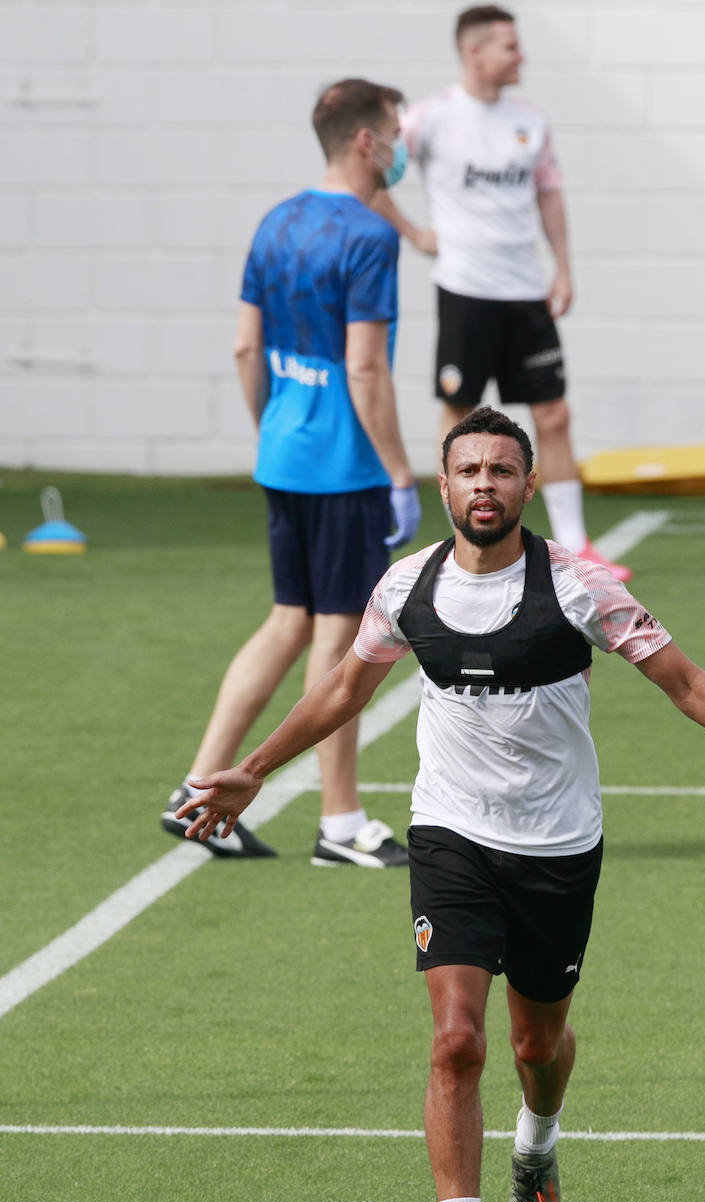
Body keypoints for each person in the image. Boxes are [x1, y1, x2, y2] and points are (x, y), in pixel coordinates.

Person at [176, 405, 705, 1202]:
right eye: (467, 471)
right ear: (444, 485)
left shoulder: (580, 589)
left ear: (527, 484)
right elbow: (343, 690)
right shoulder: (405, 588)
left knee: (534, 1046)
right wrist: (255, 773)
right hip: (450, 836)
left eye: (500, 472)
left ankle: (537, 1143)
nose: (483, 486)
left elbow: (687, 683)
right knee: (456, 1042)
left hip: (555, 847)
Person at [161, 77, 422, 868]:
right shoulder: (370, 236)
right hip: (345, 468)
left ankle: (199, 786)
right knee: (343, 636)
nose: (407, 147)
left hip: (283, 452)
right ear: (368, 142)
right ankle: (340, 824)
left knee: (288, 618)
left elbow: (246, 347)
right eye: (398, 131)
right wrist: (401, 473)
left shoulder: (275, 221)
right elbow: (365, 369)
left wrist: (273, 430)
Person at [372, 4, 634, 583]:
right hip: (465, 291)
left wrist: (562, 269)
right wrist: (414, 231)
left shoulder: (530, 121)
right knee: (459, 414)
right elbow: (371, 169)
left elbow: (548, 194)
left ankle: (575, 547)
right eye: (510, 47)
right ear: (475, 52)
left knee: (554, 412)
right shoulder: (431, 117)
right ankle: (457, 541)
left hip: (525, 294)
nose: (521, 57)